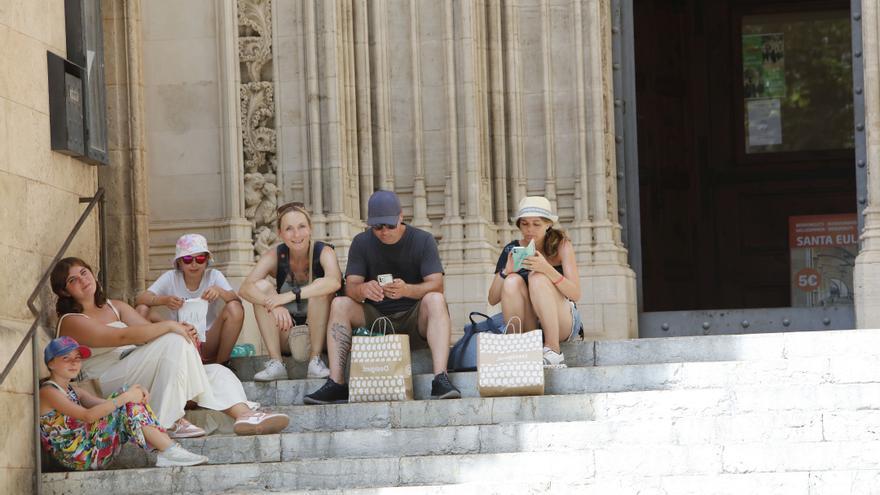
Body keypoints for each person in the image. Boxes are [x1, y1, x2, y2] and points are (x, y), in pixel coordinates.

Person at [51, 257, 289, 438]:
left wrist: (183, 329)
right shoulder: (71, 321)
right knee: (173, 339)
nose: (83, 280)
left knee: (216, 371)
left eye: (84, 273)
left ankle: (245, 416)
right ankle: (169, 418)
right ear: (64, 291)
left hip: (138, 369)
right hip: (106, 381)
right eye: (73, 280)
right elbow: (121, 336)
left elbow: (148, 335)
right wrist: (171, 327)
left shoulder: (116, 306)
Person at [304, 190, 461, 404]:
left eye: (389, 225)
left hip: (415, 318)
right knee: (340, 303)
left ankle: (440, 378)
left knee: (435, 300)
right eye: (377, 227)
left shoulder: (423, 240)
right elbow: (350, 287)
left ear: (401, 217)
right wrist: (363, 289)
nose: (384, 232)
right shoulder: (361, 242)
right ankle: (337, 382)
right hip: (376, 319)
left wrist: (407, 290)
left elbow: (437, 285)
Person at [40, 336, 208, 469]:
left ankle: (168, 449)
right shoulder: (48, 392)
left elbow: (109, 405)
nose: (74, 363)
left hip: (89, 446)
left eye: (77, 358)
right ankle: (169, 450)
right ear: (51, 363)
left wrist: (133, 393)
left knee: (125, 399)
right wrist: (127, 397)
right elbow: (88, 416)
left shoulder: (74, 391)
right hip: (77, 456)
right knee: (125, 401)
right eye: (66, 358)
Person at [239, 202, 343, 381]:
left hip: (321, 334)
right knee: (261, 287)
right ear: (280, 233)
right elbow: (246, 288)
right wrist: (272, 304)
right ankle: (276, 363)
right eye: (289, 229)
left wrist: (288, 296)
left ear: (310, 228)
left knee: (320, 286)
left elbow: (334, 281)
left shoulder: (324, 251)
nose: (296, 235)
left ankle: (315, 361)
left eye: (302, 227)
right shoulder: (275, 255)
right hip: (287, 334)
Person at [487, 196, 583, 367]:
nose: (530, 229)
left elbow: (575, 293)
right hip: (528, 324)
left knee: (537, 277)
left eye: (536, 224)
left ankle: (553, 351)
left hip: (561, 321)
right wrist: (506, 272)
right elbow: (492, 299)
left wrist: (546, 269)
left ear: (548, 225)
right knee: (512, 281)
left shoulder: (561, 245)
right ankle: (517, 348)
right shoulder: (512, 249)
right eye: (524, 224)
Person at [134, 234, 243, 365]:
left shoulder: (214, 275)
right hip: (177, 338)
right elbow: (140, 299)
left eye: (200, 259)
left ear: (207, 259)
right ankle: (141, 360)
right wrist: (164, 300)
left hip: (206, 340)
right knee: (142, 309)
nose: (194, 264)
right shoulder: (171, 277)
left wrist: (219, 291)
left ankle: (223, 364)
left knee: (234, 308)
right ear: (179, 262)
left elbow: (236, 301)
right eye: (187, 259)